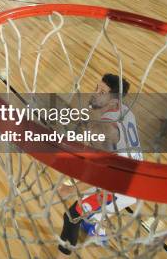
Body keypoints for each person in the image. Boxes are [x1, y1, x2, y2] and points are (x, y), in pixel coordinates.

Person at [56, 74, 143, 258]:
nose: (95, 94)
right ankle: (97, 227)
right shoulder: (126, 111)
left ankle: (67, 251)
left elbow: (104, 174)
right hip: (133, 179)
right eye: (96, 88)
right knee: (95, 205)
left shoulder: (106, 127)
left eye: (102, 92)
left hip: (121, 188)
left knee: (72, 217)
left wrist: (71, 190)